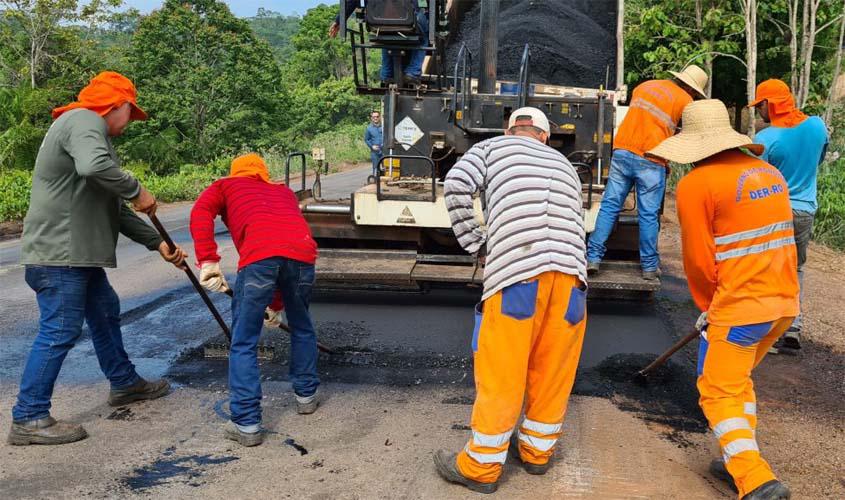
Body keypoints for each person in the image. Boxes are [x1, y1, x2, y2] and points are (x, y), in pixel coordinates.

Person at [8, 71, 187, 446]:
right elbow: (97, 171)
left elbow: (113, 208)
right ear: (117, 105)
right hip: (60, 256)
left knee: (105, 311)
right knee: (60, 330)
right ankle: (29, 416)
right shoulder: (84, 120)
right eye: (130, 113)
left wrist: (158, 245)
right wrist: (137, 188)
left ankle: (124, 383)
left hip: (78, 258)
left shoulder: (86, 132)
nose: (129, 123)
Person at [648, 99, 798, 500]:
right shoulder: (769, 174)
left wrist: (708, 307)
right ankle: (735, 460)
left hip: (740, 308)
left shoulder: (698, 184)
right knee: (737, 383)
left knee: (717, 390)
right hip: (783, 305)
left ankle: (756, 479)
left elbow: (698, 260)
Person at [435, 107, 588, 494]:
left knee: (504, 369)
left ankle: (480, 468)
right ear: (544, 136)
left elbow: (455, 185)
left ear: (510, 130)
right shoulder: (564, 165)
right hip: (572, 280)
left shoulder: (492, 149)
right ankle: (537, 453)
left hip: (519, 274)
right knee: (552, 369)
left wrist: (476, 243)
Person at [190, 153, 320, 447]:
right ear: (262, 172)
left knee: (244, 340)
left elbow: (200, 213)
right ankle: (306, 396)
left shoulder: (224, 185)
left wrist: (208, 259)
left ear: (235, 172)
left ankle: (247, 424)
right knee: (302, 327)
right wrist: (275, 305)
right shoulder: (282, 191)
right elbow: (283, 247)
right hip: (302, 256)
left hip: (260, 258)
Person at [587, 64, 708, 280]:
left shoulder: (644, 86)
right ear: (692, 89)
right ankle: (649, 267)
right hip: (652, 159)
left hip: (623, 151)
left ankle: (593, 258)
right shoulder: (686, 102)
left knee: (609, 206)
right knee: (648, 215)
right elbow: (676, 135)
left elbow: (644, 120)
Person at [749, 79, 828, 352]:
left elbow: (757, 181)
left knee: (769, 269)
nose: (758, 112)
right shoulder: (817, 126)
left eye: (759, 106)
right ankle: (793, 327)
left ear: (769, 105)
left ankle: (767, 333)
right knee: (796, 268)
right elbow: (817, 160)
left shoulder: (764, 140)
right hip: (805, 209)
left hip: (775, 209)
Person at [329, 0, 429, 86]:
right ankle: (412, 72)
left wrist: (339, 21)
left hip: (377, 24)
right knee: (425, 29)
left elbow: (352, 1)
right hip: (408, 20)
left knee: (386, 34)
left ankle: (386, 74)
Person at [365, 110, 384, 178]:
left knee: (386, 168)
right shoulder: (369, 128)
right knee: (376, 169)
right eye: (374, 117)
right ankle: (375, 183)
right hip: (375, 152)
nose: (375, 118)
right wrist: (371, 146)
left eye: (377, 116)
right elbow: (367, 139)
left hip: (384, 151)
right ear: (371, 118)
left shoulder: (384, 127)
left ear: (379, 117)